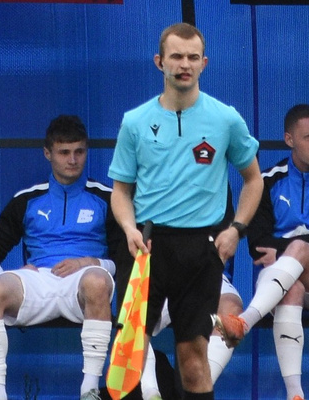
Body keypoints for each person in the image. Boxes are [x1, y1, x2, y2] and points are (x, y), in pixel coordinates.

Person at [107, 22, 265, 400]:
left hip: (201, 249)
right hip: (145, 247)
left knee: (193, 359)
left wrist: (236, 228)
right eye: (176, 56)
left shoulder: (226, 118)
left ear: (204, 63)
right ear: (159, 62)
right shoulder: (135, 121)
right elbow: (120, 191)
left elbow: (254, 180)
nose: (184, 64)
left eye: (193, 57)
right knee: (130, 354)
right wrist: (128, 228)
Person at [0, 114, 123, 400]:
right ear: (48, 153)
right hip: (38, 280)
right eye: (64, 152)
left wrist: (90, 262)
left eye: (79, 151)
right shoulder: (26, 200)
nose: (73, 160)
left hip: (86, 281)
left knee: (96, 281)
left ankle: (90, 389)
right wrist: (8, 275)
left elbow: (124, 259)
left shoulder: (107, 198)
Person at [229, 103, 309, 400]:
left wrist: (292, 247)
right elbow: (256, 246)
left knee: (300, 247)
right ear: (289, 140)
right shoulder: (265, 182)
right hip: (281, 285)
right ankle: (295, 393)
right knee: (292, 287)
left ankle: (245, 320)